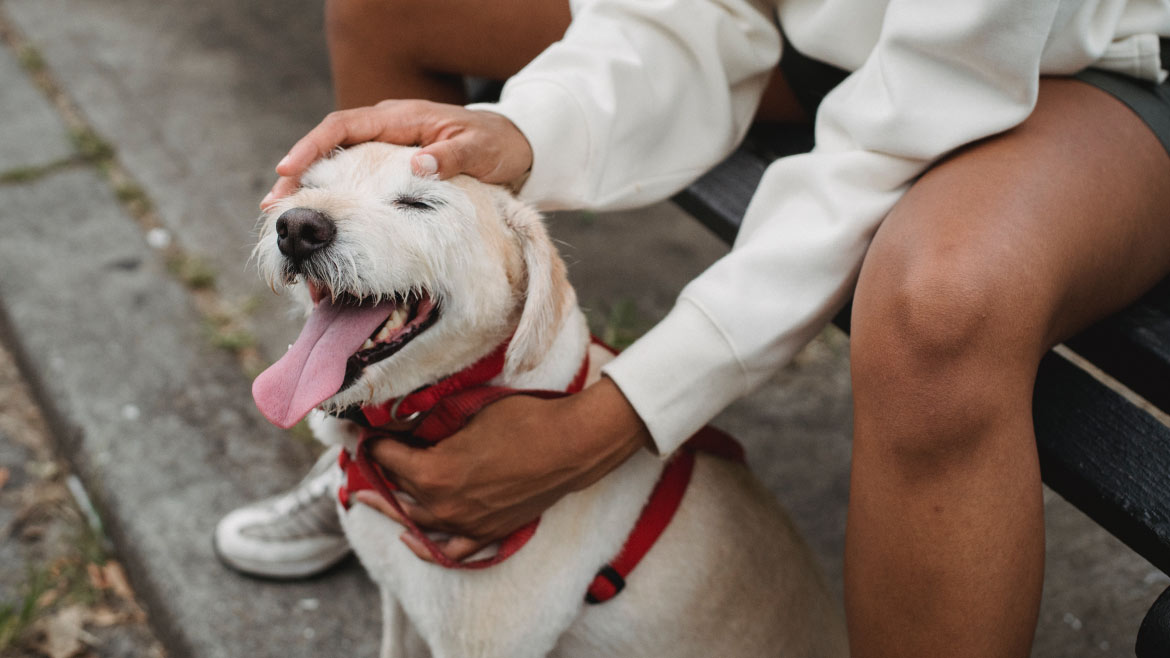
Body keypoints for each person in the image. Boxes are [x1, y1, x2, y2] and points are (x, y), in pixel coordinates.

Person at [214, 0, 1170, 655]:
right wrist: (522, 130)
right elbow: (690, 11)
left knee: (942, 302)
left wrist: (613, 417)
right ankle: (389, 432)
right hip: (833, 30)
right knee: (385, 5)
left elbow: (923, 108)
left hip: (1071, 54)